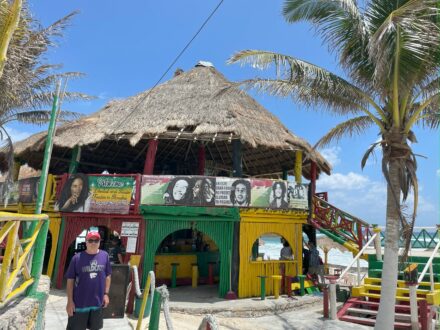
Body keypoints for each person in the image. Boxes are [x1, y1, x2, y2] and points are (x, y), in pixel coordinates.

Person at [65, 231, 111, 330]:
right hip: (79, 304)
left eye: (96, 240)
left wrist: (106, 294)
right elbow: (70, 280)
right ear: (86, 242)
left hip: (97, 304)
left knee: (95, 328)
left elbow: (108, 276)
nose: (93, 243)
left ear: (99, 242)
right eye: (90, 240)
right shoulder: (76, 258)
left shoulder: (105, 256)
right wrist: (69, 301)